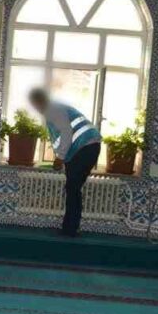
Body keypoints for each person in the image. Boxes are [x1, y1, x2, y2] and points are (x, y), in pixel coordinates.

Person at [28, 89, 102, 237]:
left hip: (85, 148)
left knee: (73, 189)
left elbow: (66, 133)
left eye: (34, 104)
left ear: (39, 102)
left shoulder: (53, 109)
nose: (35, 108)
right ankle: (70, 227)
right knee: (73, 189)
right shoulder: (54, 109)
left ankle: (70, 229)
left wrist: (60, 157)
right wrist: (63, 157)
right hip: (84, 149)